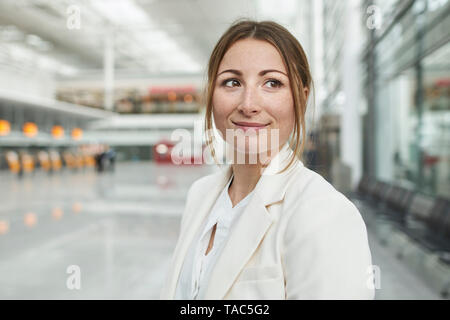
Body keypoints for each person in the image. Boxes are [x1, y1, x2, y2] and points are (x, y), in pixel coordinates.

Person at [160, 19, 374, 300]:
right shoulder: (200, 195)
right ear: (212, 94)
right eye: (232, 82)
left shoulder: (323, 213)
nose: (248, 104)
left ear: (301, 98)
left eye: (272, 83)